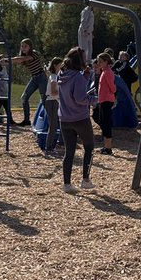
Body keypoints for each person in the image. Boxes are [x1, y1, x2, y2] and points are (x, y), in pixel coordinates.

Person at [56, 47, 96, 193]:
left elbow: (72, 90)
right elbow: (80, 98)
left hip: (65, 118)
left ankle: (66, 184)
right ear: (80, 60)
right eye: (84, 58)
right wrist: (94, 100)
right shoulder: (77, 77)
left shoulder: (61, 74)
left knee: (69, 152)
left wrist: (85, 77)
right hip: (80, 118)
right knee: (89, 148)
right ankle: (85, 179)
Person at [5, 38, 47, 126]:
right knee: (24, 97)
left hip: (41, 78)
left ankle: (49, 120)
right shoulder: (23, 56)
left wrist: (8, 59)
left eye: (25, 46)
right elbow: (18, 60)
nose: (23, 48)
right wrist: (4, 61)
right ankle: (27, 120)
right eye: (22, 46)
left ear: (30, 47)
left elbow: (20, 59)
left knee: (44, 100)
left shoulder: (34, 54)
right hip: (34, 78)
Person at [95, 52, 117, 155]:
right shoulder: (104, 72)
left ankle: (108, 147)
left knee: (106, 123)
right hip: (103, 99)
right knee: (102, 121)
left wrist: (112, 94)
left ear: (106, 62)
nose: (98, 63)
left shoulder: (108, 72)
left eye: (100, 61)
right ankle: (106, 145)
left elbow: (112, 87)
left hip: (107, 100)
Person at [43, 56, 63, 156]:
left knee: (56, 125)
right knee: (53, 125)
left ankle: (55, 145)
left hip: (54, 101)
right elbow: (53, 92)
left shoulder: (56, 76)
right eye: (60, 65)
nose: (62, 66)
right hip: (52, 101)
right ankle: (48, 147)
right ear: (55, 65)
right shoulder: (54, 77)